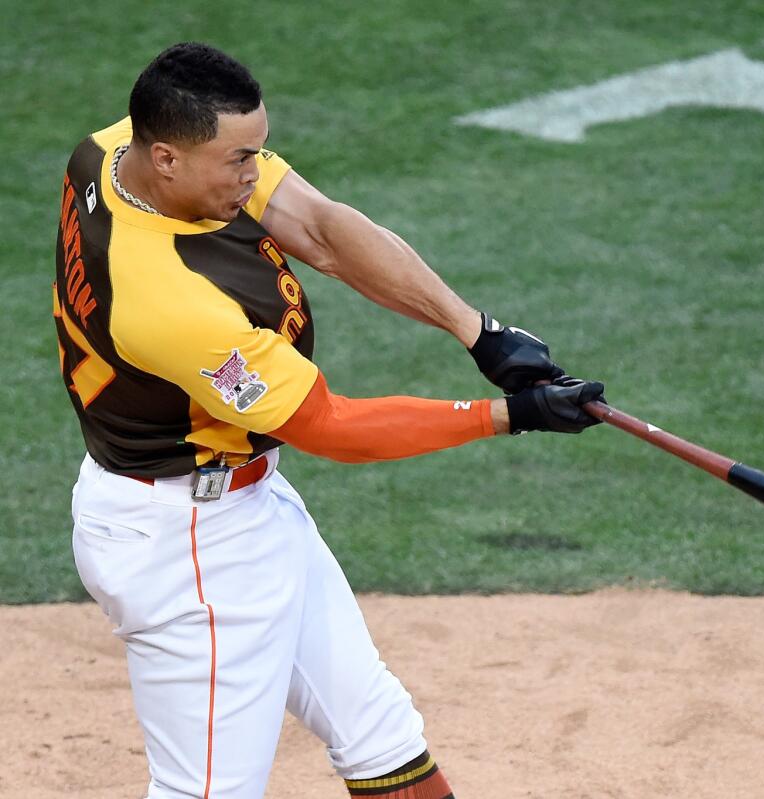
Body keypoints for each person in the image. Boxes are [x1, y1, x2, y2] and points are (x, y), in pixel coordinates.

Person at [53, 42, 604, 799]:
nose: (255, 175)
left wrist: (479, 332)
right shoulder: (167, 301)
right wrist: (510, 415)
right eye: (238, 160)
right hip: (187, 549)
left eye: (257, 152)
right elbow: (331, 426)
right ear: (167, 157)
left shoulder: (111, 153)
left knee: (381, 736)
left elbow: (320, 229)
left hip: (241, 505)